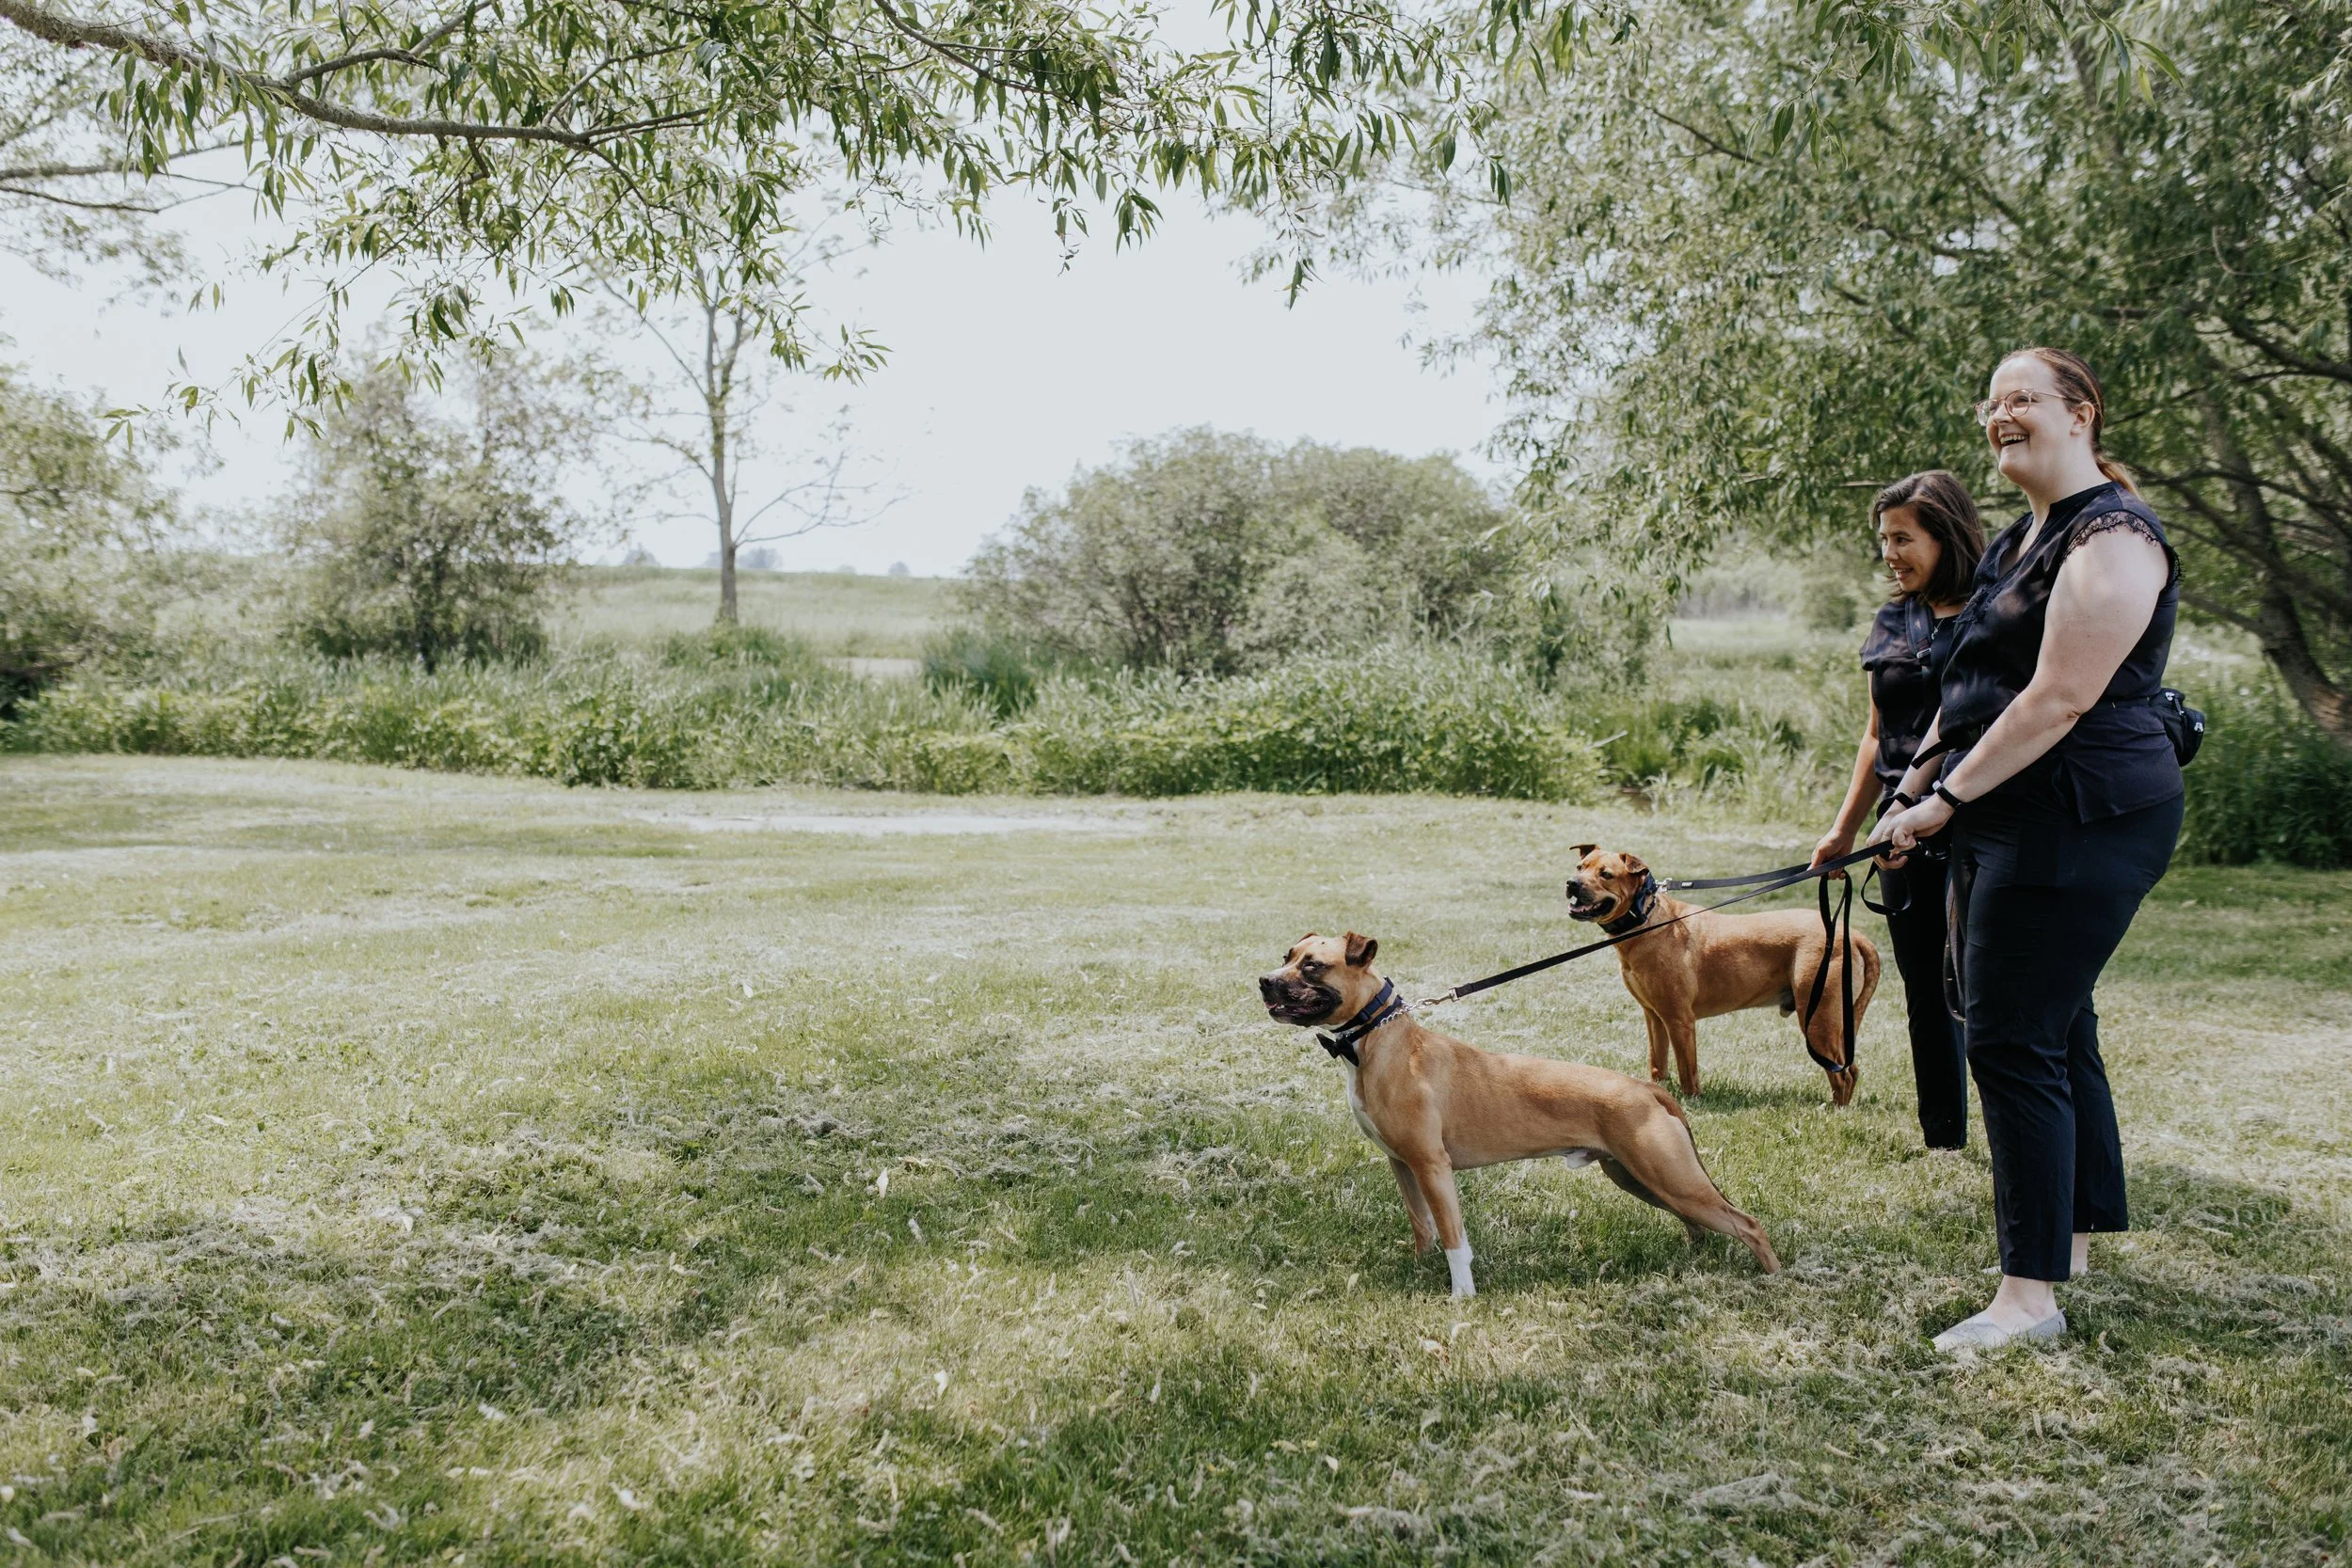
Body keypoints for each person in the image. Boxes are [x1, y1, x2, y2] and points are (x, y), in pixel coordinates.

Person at [1873, 347, 2182, 1354]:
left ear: (2079, 412)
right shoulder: (2020, 537)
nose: (1998, 414)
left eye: (2022, 398)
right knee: (2055, 1020)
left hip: (2081, 809)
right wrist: (1912, 788)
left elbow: (2057, 697)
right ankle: (2076, 1230)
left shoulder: (2113, 537)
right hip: (2005, 805)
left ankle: (2027, 1296)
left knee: (2008, 1036)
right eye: (1991, 401)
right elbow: (1969, 692)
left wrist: (1946, 797)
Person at [1811, 472, 1984, 1151]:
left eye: (1904, 538)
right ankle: (1943, 1134)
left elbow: (1975, 721)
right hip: (1895, 830)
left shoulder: (1993, 614)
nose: (1890, 552)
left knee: (1979, 983)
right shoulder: (1894, 618)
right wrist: (1845, 826)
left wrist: (1929, 802)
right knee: (1922, 984)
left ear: (1947, 535)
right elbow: (1876, 735)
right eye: (1884, 538)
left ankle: (2020, 1129)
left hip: (1971, 815)